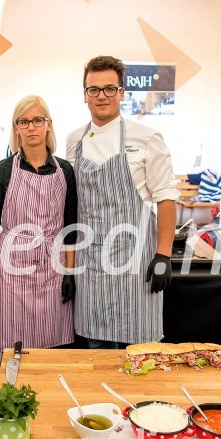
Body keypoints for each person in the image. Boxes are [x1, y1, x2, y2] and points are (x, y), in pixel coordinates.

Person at [66, 55, 179, 349]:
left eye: (109, 89)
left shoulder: (147, 138)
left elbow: (166, 198)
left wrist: (163, 256)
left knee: (140, 354)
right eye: (94, 89)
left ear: (122, 93)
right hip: (90, 265)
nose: (101, 96)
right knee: (96, 352)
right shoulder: (74, 140)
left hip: (136, 265)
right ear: (85, 95)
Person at [0, 95, 78, 351]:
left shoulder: (65, 171)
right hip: (10, 268)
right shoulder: (2, 172)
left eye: (37, 119)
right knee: (10, 344)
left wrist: (69, 273)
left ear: (48, 124)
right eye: (23, 121)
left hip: (53, 266)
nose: (31, 127)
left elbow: (71, 228)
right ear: (16, 128)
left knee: (51, 344)